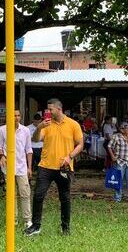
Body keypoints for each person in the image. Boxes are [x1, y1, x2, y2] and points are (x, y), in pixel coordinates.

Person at [24, 98, 83, 237]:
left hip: (64, 167)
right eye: (47, 109)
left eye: (50, 109)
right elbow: (36, 139)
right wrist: (39, 127)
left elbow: (80, 144)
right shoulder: (46, 124)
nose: (48, 112)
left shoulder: (73, 124)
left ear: (59, 109)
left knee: (65, 198)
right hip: (45, 166)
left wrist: (70, 157)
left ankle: (65, 228)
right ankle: (36, 226)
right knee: (38, 195)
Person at [0, 110, 33, 228]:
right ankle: (13, 219)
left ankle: (27, 219)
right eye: (14, 116)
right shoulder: (2, 129)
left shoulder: (25, 130)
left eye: (18, 116)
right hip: (8, 167)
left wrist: (29, 167)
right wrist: (2, 156)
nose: (16, 118)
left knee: (25, 193)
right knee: (11, 194)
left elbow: (29, 149)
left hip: (22, 167)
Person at [108, 122, 128, 202]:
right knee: (118, 181)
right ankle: (118, 198)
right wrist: (112, 156)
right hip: (119, 162)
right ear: (122, 130)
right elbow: (109, 146)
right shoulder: (116, 137)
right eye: (127, 128)